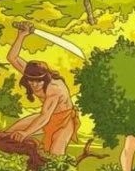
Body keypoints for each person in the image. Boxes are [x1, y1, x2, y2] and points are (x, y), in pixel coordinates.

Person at [4, 22, 80, 155]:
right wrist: (21, 35)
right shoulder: (30, 72)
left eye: (38, 81)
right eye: (31, 80)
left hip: (64, 121)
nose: (34, 84)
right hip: (46, 117)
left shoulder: (55, 89)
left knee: (55, 155)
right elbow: (12, 57)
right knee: (9, 134)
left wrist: (26, 133)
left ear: (45, 78)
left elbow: (45, 116)